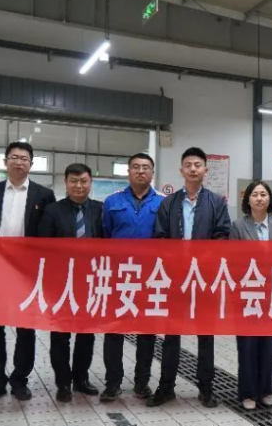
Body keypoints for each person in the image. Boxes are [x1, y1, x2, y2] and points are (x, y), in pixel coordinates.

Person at [0, 141, 56, 403]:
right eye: (14, 157)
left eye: (24, 159)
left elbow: (49, 233)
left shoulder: (44, 195)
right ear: (6, 161)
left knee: (26, 328)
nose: (19, 162)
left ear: (31, 164)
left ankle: (20, 380)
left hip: (27, 271)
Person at [151, 147, 231, 408]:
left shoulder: (216, 203)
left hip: (204, 279)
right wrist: (176, 263)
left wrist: (201, 261)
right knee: (171, 335)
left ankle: (206, 388)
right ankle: (166, 387)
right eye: (188, 165)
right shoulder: (169, 203)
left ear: (205, 170)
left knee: (205, 335)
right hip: (175, 279)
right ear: (181, 170)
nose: (193, 169)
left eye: (198, 164)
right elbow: (160, 238)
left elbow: (222, 236)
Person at [99, 153, 163, 403]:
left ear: (152, 173)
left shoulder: (163, 202)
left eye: (145, 167)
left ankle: (142, 382)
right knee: (114, 330)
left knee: (147, 332)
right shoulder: (112, 201)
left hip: (150, 277)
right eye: (135, 167)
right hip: (118, 276)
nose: (140, 171)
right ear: (128, 172)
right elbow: (105, 234)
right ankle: (112, 383)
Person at [37, 163, 101, 403]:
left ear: (90, 183)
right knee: (60, 336)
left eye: (84, 181)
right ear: (66, 183)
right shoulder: (52, 211)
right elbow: (43, 247)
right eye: (74, 181)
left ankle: (81, 378)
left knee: (87, 335)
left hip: (91, 282)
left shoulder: (100, 210)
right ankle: (63, 383)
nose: (79, 186)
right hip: (61, 283)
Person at [230, 181, 272, 410]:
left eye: (263, 194)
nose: (259, 198)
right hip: (247, 292)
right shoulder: (238, 226)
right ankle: (247, 393)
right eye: (255, 194)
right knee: (247, 344)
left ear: (269, 199)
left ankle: (265, 390)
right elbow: (233, 260)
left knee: (267, 343)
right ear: (248, 199)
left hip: (271, 293)